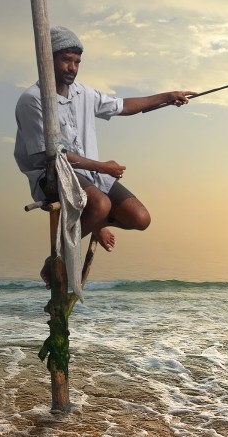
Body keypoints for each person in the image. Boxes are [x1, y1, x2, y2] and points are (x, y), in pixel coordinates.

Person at [14, 26, 194, 285]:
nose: (72, 67)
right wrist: (102, 167)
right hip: (51, 175)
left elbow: (124, 106)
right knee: (100, 204)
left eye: (77, 61)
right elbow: (53, 155)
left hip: (89, 174)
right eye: (66, 59)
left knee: (140, 218)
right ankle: (55, 260)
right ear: (47, 59)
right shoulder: (32, 100)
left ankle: (94, 222)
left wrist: (168, 96)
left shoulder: (83, 93)